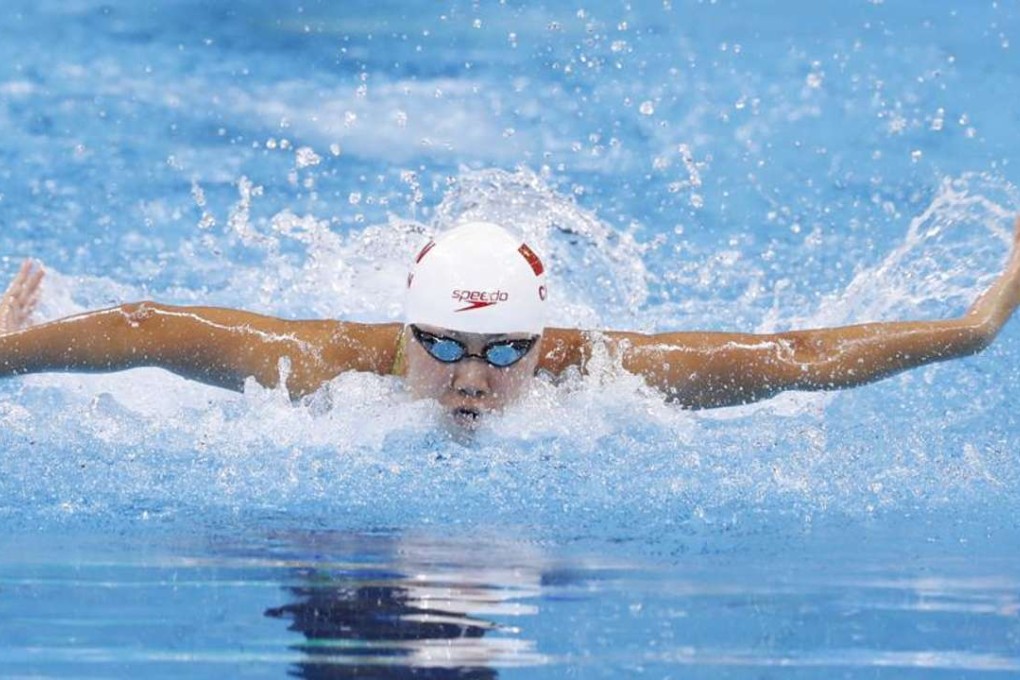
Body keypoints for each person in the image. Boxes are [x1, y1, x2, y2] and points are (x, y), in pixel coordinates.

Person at [1, 217, 1019, 427]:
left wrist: (976, 327)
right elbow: (146, 327)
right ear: (402, 332)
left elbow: (793, 358)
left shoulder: (603, 376)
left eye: (501, 352)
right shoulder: (318, 364)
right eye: (440, 344)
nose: (470, 377)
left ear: (544, 340)